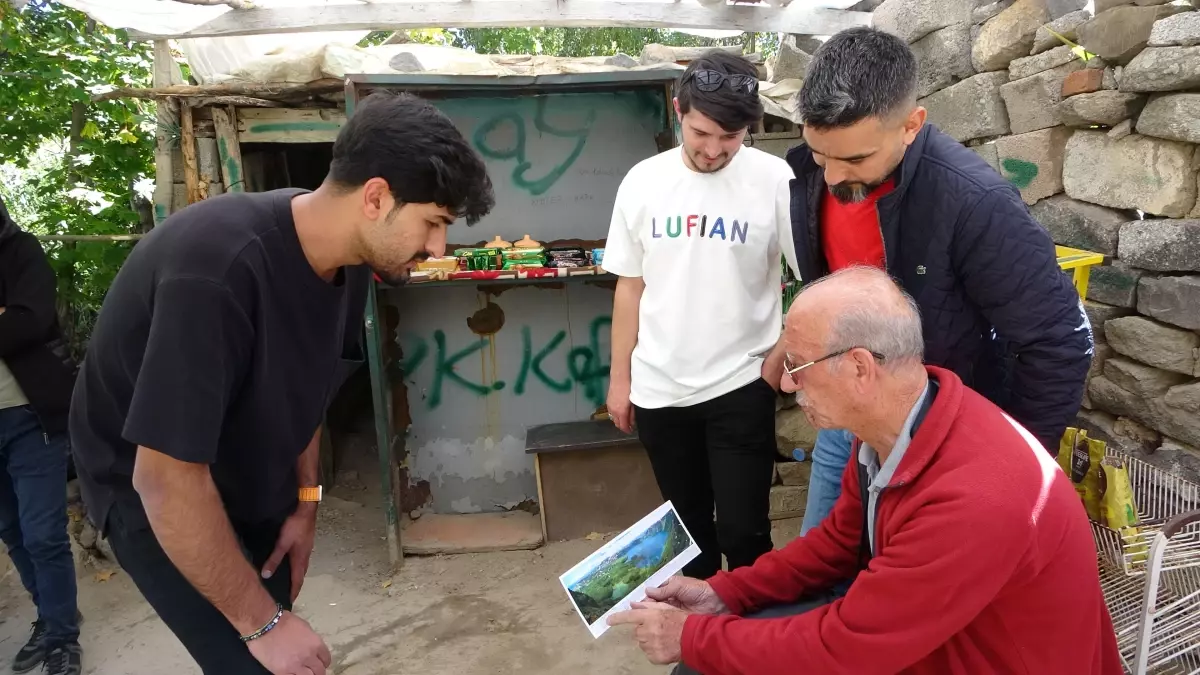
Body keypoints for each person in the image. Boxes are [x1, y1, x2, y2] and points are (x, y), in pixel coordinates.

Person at [68, 92, 494, 675]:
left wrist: (306, 501)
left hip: (235, 458)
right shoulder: (216, 270)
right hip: (149, 482)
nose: (436, 248)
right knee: (263, 654)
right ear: (376, 197)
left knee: (280, 634)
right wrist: (261, 623)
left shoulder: (349, 267)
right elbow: (165, 479)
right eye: (434, 222)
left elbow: (306, 390)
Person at [608, 266, 1123, 675]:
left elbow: (848, 649)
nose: (787, 386)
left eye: (797, 366)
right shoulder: (900, 429)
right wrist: (726, 592)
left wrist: (689, 636)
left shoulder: (972, 498)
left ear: (859, 367)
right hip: (937, 643)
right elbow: (837, 545)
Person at [788, 27, 1092, 536]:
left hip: (937, 435)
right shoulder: (813, 171)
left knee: (903, 588)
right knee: (824, 560)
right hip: (846, 414)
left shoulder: (975, 202)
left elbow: (1059, 342)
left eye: (855, 160)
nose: (834, 177)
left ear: (911, 125)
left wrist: (1011, 464)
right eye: (821, 155)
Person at [603, 50, 800, 580]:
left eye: (730, 137)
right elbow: (629, 286)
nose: (714, 150)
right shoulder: (642, 181)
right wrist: (619, 379)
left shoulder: (776, 179)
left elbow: (810, 279)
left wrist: (780, 357)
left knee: (745, 532)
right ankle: (703, 646)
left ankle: (754, 647)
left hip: (741, 382)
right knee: (689, 536)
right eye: (701, 133)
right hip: (659, 389)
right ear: (677, 111)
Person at [0, 196, 82, 675]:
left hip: (31, 416)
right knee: (10, 531)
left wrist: (12, 319)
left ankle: (62, 640)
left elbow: (30, 321)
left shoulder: (20, 250)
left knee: (43, 534)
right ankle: (52, 619)